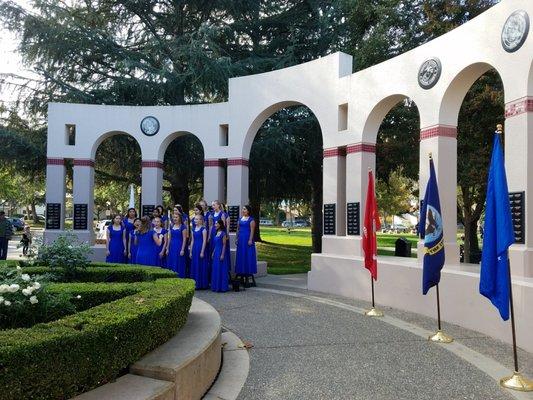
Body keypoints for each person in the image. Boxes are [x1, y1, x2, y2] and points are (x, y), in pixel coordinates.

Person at [235, 205, 257, 287]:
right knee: (241, 256)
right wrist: (236, 238)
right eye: (243, 209)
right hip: (241, 240)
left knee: (247, 256)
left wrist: (250, 239)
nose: (243, 210)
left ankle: (247, 273)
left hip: (247, 240)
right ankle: (241, 272)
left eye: (245, 209)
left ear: (248, 211)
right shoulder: (239, 219)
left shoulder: (251, 220)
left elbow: (252, 231)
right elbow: (238, 229)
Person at [190, 214, 208, 289]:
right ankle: (195, 283)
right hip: (194, 248)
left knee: (201, 265)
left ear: (201, 220)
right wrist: (190, 251)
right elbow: (192, 241)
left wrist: (202, 251)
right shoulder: (193, 229)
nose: (195, 221)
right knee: (195, 265)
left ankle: (201, 284)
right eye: (195, 219)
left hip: (200, 247)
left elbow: (204, 241)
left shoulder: (203, 229)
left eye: (197, 219)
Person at [166, 214, 188, 278]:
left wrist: (182, 249)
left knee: (179, 262)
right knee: (171, 261)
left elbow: (184, 239)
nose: (175, 219)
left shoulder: (183, 227)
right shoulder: (171, 226)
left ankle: (179, 278)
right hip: (172, 247)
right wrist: (167, 248)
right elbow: (169, 238)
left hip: (179, 246)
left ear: (180, 218)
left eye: (176, 217)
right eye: (173, 217)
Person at [211, 219, 229, 292]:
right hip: (216, 252)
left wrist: (222, 254)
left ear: (220, 225)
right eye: (215, 224)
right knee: (215, 269)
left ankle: (221, 287)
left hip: (221, 252)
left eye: (216, 224)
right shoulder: (216, 233)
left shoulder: (223, 234)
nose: (215, 225)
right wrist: (213, 252)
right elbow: (216, 245)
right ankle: (216, 286)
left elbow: (224, 245)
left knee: (220, 269)